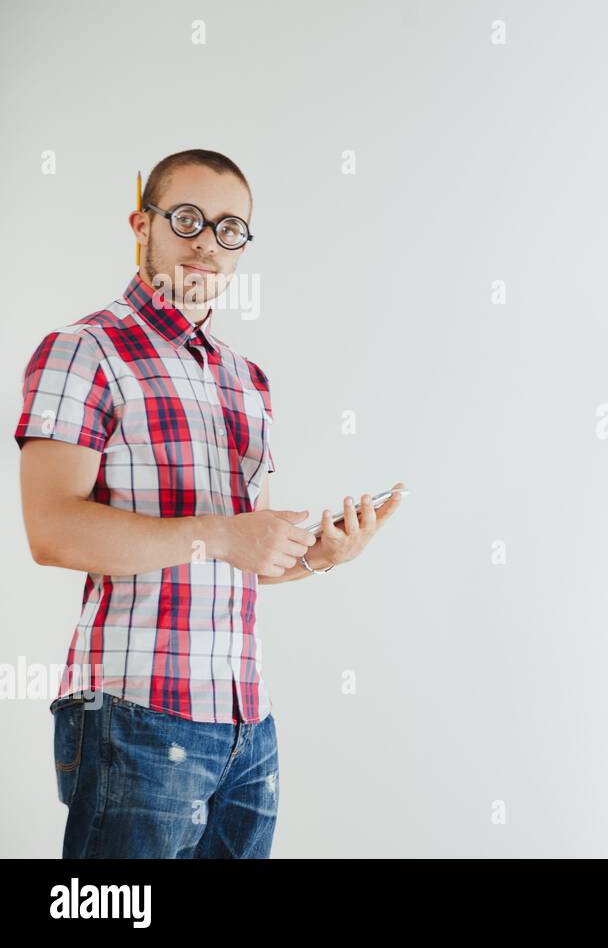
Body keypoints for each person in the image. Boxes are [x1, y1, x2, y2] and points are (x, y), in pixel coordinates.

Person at [15, 149, 405, 857]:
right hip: (135, 715)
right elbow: (53, 531)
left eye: (230, 229)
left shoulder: (244, 379)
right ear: (143, 224)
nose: (207, 242)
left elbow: (228, 558)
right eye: (187, 218)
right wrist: (226, 536)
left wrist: (315, 557)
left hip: (247, 725)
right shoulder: (83, 351)